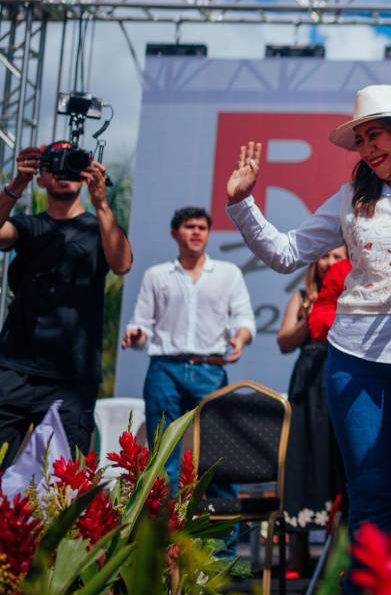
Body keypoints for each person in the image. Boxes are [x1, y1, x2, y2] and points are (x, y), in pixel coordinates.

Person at [223, 84, 391, 570]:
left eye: (377, 136)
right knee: (369, 498)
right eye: (361, 140)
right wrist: (244, 203)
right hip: (357, 361)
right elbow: (286, 253)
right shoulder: (352, 198)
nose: (368, 149)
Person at [0, 147, 132, 467]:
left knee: (65, 481)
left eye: (72, 165)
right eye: (53, 167)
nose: (62, 174)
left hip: (72, 376)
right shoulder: (28, 225)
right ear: (41, 178)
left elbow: (123, 263)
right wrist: (16, 184)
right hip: (14, 367)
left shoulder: (98, 227)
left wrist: (101, 202)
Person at [123, 207, 256, 489]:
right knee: (163, 453)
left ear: (208, 234)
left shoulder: (228, 273)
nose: (196, 232)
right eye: (189, 227)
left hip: (210, 368)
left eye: (202, 227)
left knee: (218, 452)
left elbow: (244, 319)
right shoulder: (156, 275)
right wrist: (136, 335)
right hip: (165, 370)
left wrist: (240, 339)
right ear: (175, 233)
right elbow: (143, 325)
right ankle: (163, 528)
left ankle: (223, 530)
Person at [275, 245, 348, 575]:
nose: (330, 262)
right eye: (325, 256)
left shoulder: (353, 291)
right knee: (302, 459)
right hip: (307, 382)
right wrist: (313, 316)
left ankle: (337, 552)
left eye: (337, 256)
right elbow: (284, 341)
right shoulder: (302, 296)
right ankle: (298, 551)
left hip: (341, 378)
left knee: (338, 461)